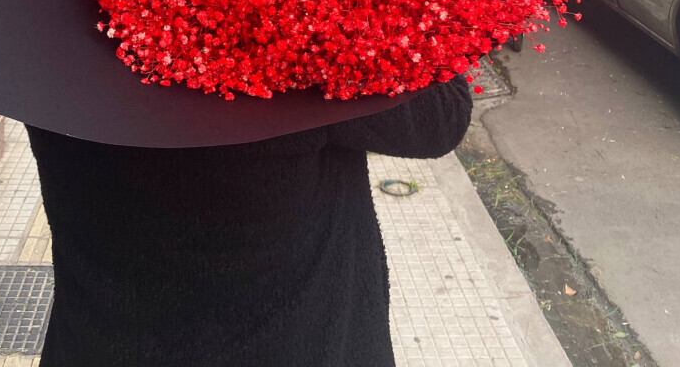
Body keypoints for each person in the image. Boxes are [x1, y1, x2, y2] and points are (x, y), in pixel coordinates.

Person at [26, 72, 471, 367]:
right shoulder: (289, 0)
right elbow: (439, 117)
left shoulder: (27, 11)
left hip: (102, 338)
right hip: (296, 340)